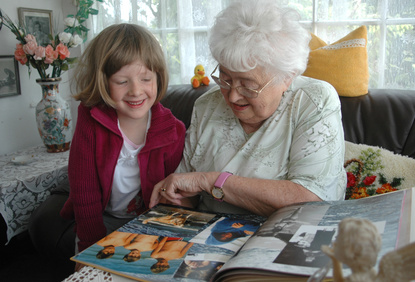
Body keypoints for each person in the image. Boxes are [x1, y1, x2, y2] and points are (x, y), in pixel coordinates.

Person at [150, 0, 346, 216]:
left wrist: (213, 181)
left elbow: (312, 200)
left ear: (287, 78)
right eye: (225, 79)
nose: (232, 95)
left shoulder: (313, 101)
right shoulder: (207, 105)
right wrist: (174, 199)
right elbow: (187, 194)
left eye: (248, 85)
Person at [59, 23, 186, 270]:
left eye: (146, 78)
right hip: (100, 220)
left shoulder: (173, 130)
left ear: (158, 77)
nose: (136, 91)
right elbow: (84, 190)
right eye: (121, 81)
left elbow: (170, 199)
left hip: (148, 224)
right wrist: (89, 247)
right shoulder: (90, 118)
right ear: (103, 81)